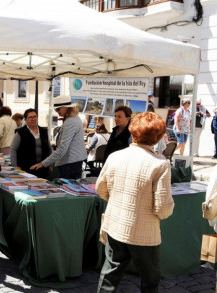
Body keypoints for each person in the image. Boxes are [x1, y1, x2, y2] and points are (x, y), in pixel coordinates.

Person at [96, 112, 174, 293]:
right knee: (150, 280)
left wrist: (119, 201)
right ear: (158, 137)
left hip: (116, 224)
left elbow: (101, 188)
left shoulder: (116, 156)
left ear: (133, 133)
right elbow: (162, 207)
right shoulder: (159, 164)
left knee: (109, 275)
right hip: (144, 231)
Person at [31, 95, 87, 179]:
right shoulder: (74, 118)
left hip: (69, 164)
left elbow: (62, 149)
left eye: (58, 109)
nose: (56, 111)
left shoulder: (70, 121)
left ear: (65, 107)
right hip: (73, 163)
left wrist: (43, 163)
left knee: (66, 189)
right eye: (55, 109)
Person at [10, 109, 51, 178]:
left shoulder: (44, 131)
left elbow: (49, 149)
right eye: (30, 117)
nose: (33, 119)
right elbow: (13, 149)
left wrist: (50, 164)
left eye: (35, 116)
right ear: (25, 119)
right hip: (26, 169)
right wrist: (15, 166)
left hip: (43, 169)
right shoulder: (20, 132)